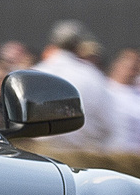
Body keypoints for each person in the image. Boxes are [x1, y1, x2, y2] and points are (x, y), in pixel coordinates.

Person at [32, 20, 113, 152]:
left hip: (41, 155)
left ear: (54, 42)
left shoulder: (34, 73)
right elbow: (109, 124)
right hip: (83, 155)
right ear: (79, 44)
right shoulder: (92, 75)